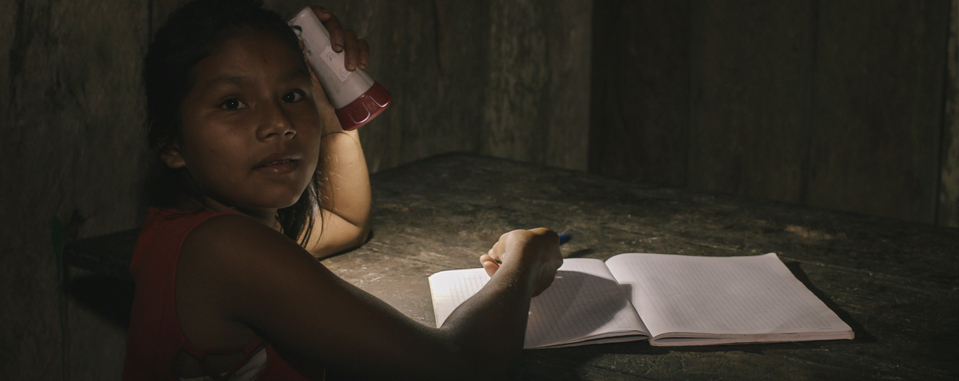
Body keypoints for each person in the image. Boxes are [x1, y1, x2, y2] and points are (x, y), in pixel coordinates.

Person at [122, 1, 564, 380]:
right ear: (170, 143)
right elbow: (462, 365)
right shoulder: (223, 248)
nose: (279, 122)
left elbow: (345, 222)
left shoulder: (187, 233)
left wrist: (334, 111)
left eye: (293, 95)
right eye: (232, 103)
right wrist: (524, 259)